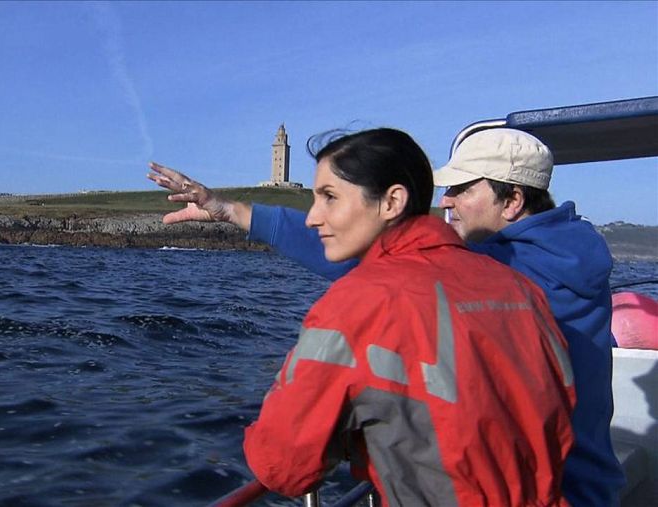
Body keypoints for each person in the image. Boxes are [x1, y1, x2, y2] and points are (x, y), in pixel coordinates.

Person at [147, 128, 624, 506]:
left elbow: (283, 466)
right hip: (580, 482)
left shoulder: (487, 277)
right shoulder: (547, 266)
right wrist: (231, 209)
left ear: (513, 201)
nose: (446, 202)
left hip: (547, 482)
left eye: (460, 188)